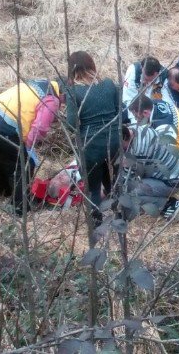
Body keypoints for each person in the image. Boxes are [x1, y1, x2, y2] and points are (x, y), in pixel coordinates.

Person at [0, 78, 62, 216]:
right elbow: (40, 128)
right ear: (62, 92)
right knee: (23, 165)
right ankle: (20, 209)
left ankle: (2, 194)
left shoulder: (36, 84)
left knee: (0, 159)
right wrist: (28, 149)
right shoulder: (52, 99)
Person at [64, 51, 121, 227]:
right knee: (115, 181)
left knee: (93, 188)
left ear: (71, 70)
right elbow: (121, 114)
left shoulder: (74, 92)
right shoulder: (110, 84)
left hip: (91, 144)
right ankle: (121, 215)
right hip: (114, 141)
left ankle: (96, 224)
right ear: (92, 65)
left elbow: (72, 124)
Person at [120, 124, 179, 219]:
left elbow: (126, 181)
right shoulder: (138, 128)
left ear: (125, 138)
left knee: (130, 192)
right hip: (177, 170)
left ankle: (167, 204)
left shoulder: (138, 151)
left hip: (172, 182)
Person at [129, 94, 179, 169]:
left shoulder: (163, 127)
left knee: (160, 166)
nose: (136, 119)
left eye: (136, 116)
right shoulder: (157, 103)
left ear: (145, 113)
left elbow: (165, 153)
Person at [122, 56, 175, 122]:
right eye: (144, 78)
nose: (144, 82)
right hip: (133, 110)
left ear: (157, 74)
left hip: (153, 111)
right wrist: (136, 123)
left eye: (149, 80)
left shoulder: (164, 77)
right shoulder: (133, 71)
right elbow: (129, 100)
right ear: (141, 68)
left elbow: (168, 103)